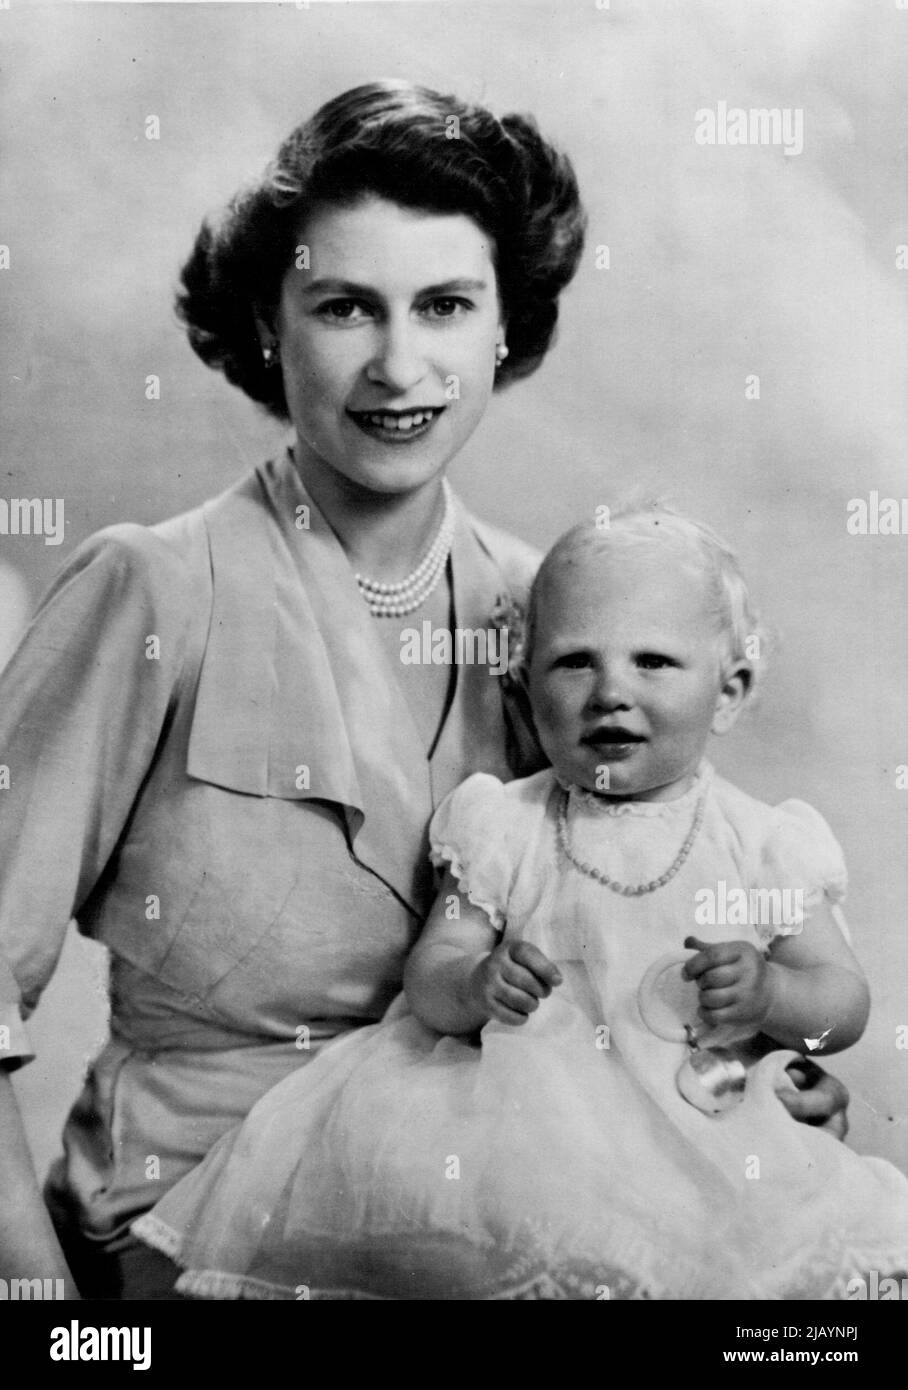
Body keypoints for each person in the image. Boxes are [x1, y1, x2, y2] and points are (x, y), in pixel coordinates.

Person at [0, 82, 847, 1302]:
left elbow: (639, 914)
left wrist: (752, 1068)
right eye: (344, 307)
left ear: (505, 329)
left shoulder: (547, 615)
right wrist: (37, 1312)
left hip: (499, 1200)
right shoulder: (154, 588)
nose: (400, 364)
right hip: (185, 1221)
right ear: (267, 323)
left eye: (445, 306)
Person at [133, 504, 908, 1300]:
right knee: (483, 1230)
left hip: (700, 1119)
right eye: (574, 663)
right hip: (529, 1121)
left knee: (761, 1252)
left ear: (730, 691)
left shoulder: (763, 843)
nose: (611, 691)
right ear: (522, 681)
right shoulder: (508, 825)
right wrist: (473, 984)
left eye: (653, 663)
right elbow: (431, 973)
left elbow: (840, 1006)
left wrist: (777, 994)